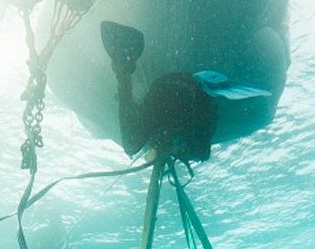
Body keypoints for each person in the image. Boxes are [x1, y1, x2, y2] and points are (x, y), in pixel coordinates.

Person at [101, 20, 270, 163]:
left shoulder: (194, 140)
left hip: (174, 92)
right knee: (131, 145)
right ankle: (122, 72)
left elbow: (208, 123)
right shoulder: (194, 142)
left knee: (133, 144)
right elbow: (205, 134)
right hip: (177, 93)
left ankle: (123, 72)